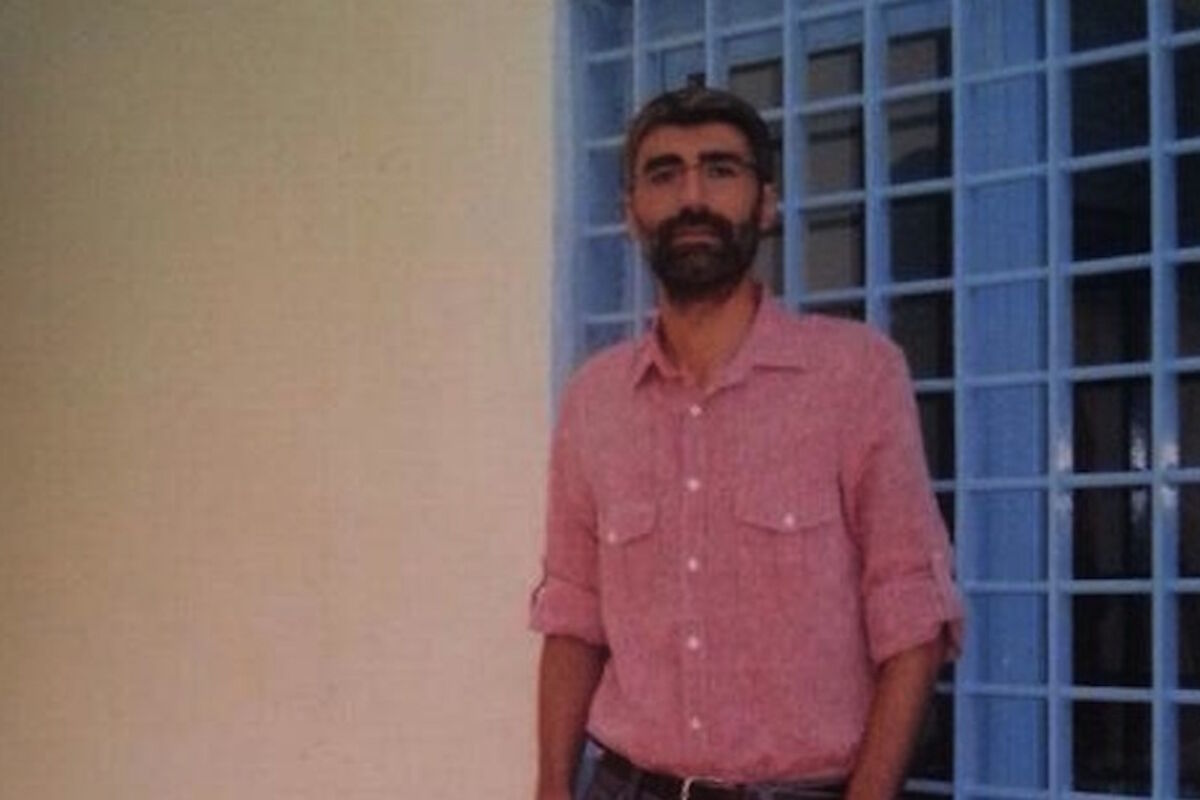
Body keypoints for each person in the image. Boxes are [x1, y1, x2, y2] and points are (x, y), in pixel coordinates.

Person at [530, 86, 964, 800]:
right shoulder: (594, 401)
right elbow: (573, 619)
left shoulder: (855, 376)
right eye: (664, 174)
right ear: (630, 213)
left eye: (720, 170)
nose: (692, 197)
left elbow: (913, 614)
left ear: (766, 203)